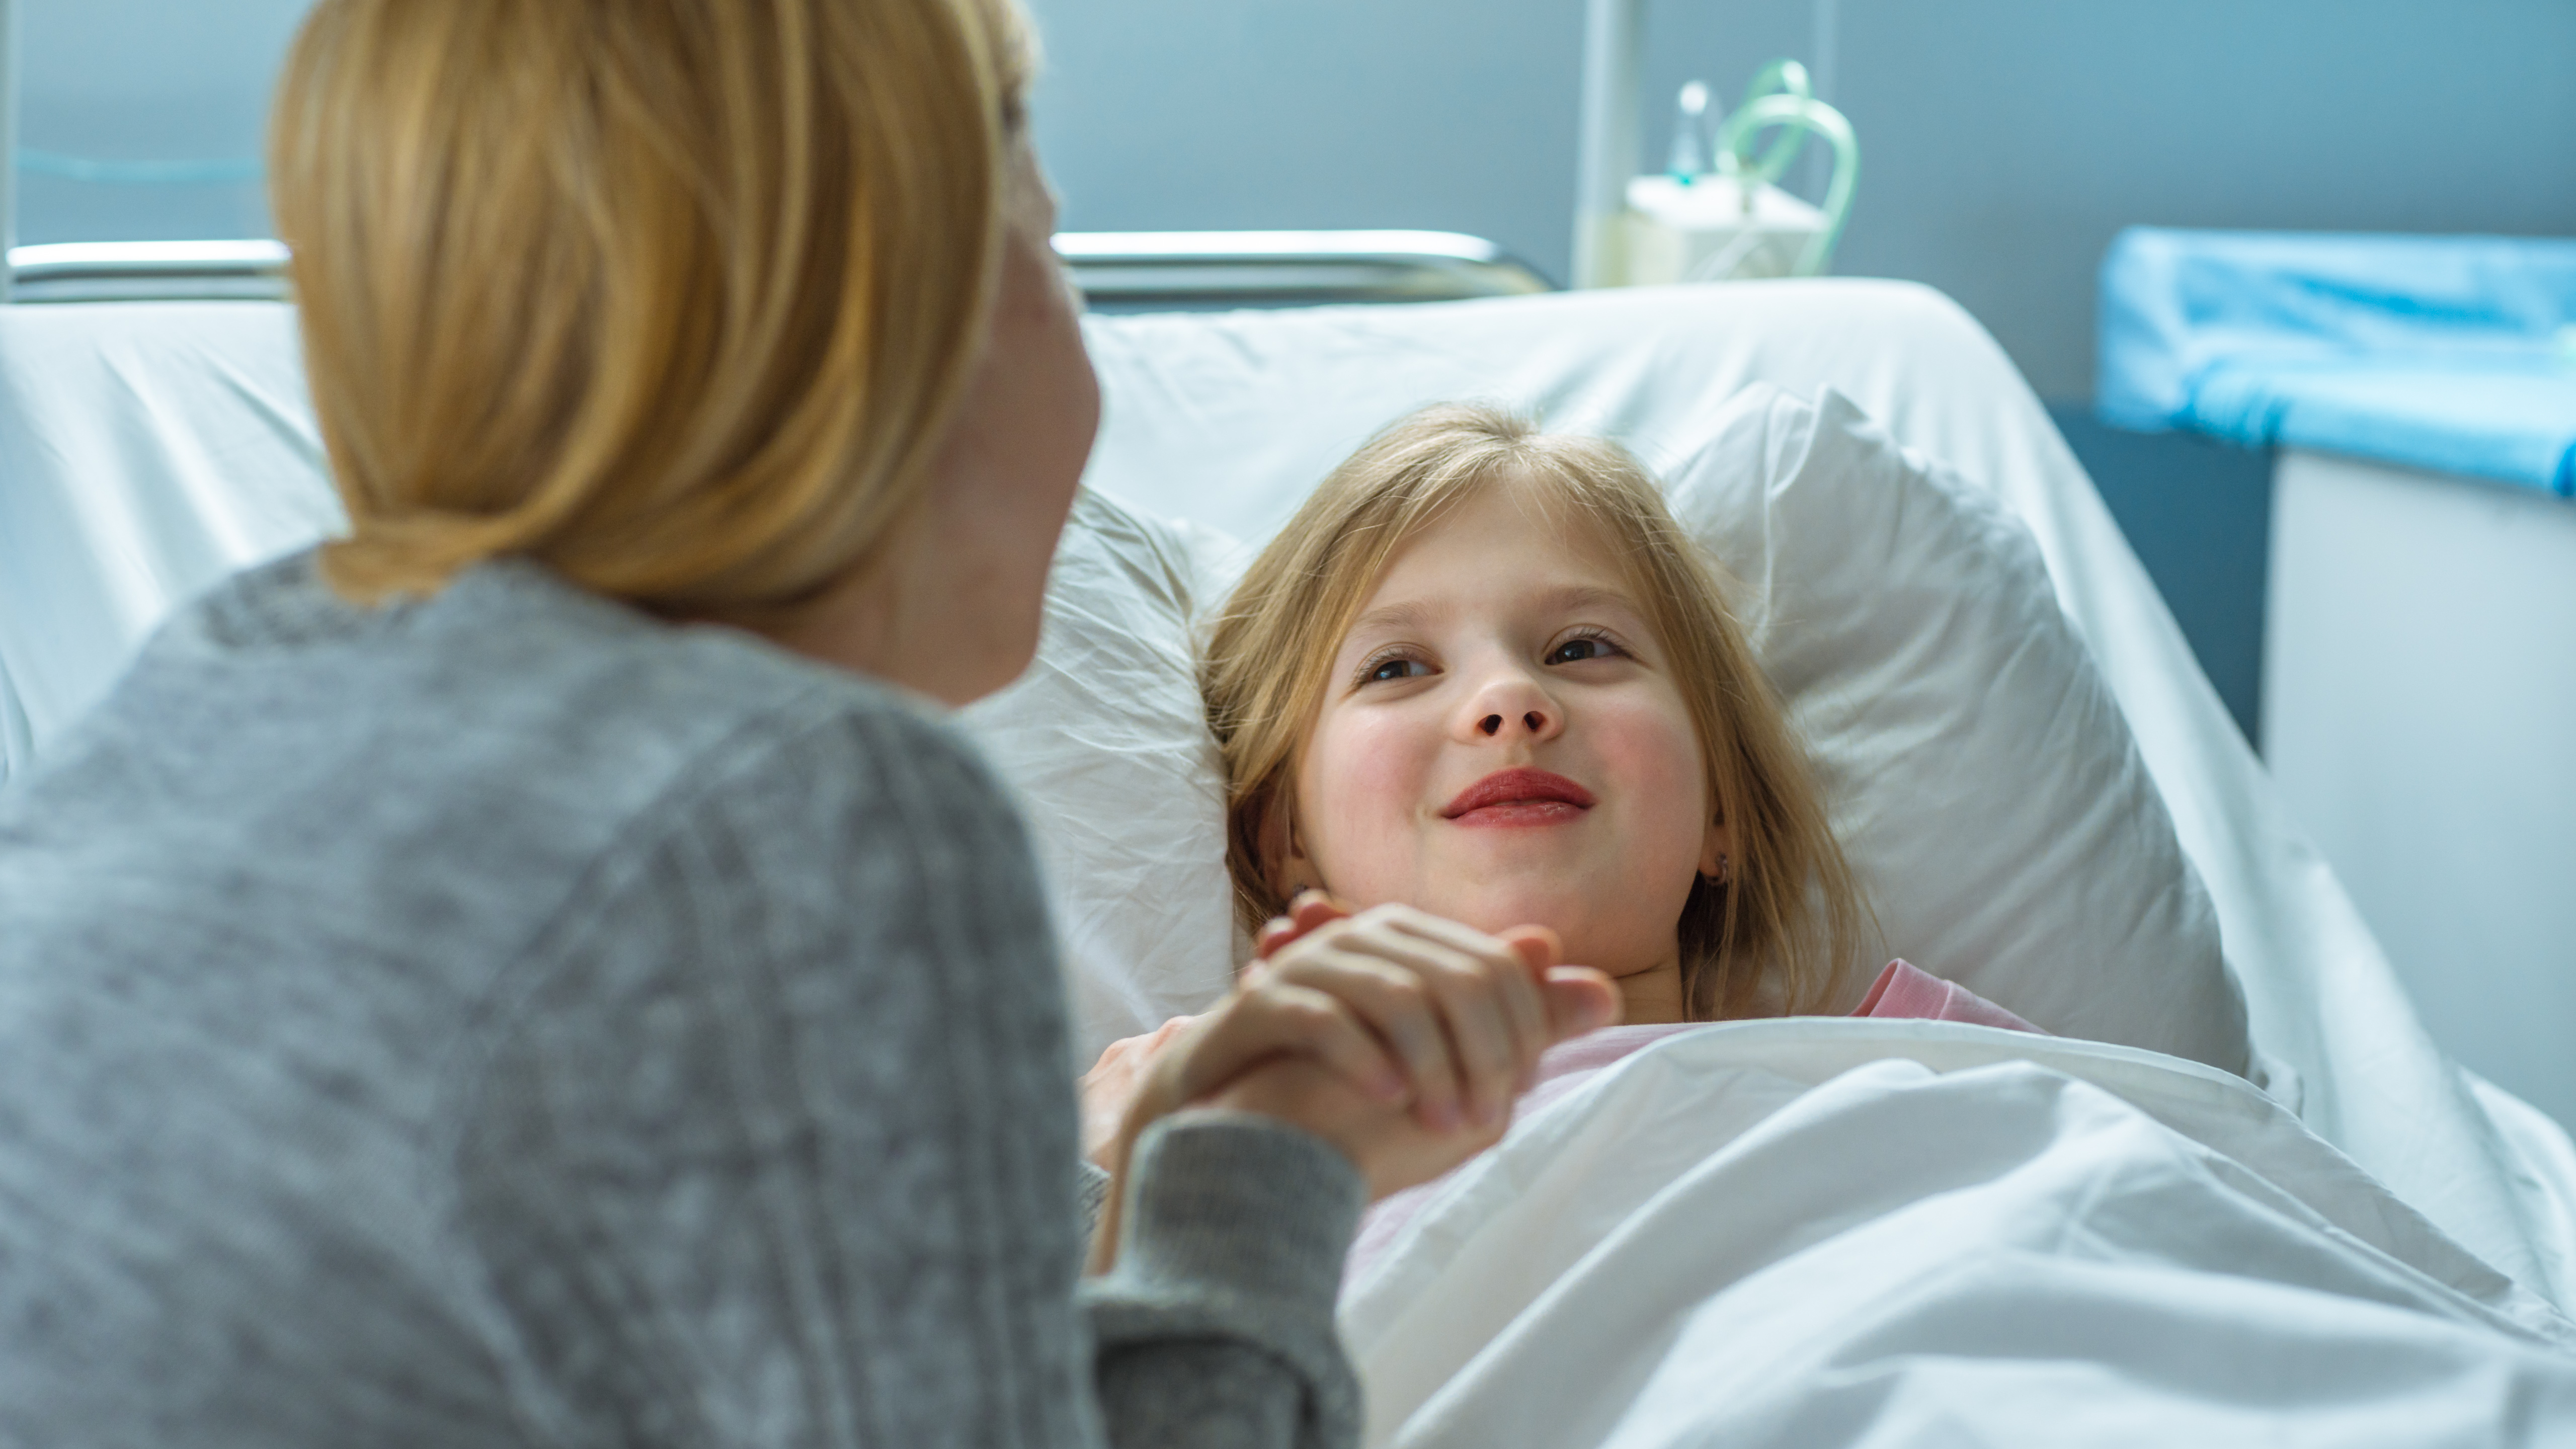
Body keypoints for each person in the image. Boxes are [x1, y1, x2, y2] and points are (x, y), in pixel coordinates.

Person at [0, 6, 1617, 1447]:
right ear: (916, 318)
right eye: (1047, 253)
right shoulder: (812, 804)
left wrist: (1202, 1153)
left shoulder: (220, 678)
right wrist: (1263, 1190)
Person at [1082, 404, 2040, 1260]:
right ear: (1285, 839)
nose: (1508, 701)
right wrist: (1108, 1196)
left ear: (1722, 813)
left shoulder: (1936, 1075)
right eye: (1398, 668)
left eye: (1583, 648)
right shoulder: (1245, 1173)